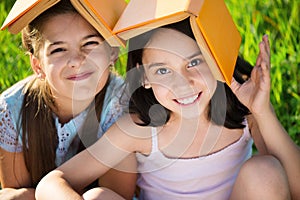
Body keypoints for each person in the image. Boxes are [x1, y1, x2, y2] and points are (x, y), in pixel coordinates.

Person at [35, 19, 300, 200]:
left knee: (264, 172)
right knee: (96, 197)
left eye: (195, 62)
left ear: (217, 59)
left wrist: (262, 112)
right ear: (144, 77)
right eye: (163, 70)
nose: (182, 83)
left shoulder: (242, 111)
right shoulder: (138, 131)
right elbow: (52, 183)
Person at [0, 1, 136, 199]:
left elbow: (116, 194)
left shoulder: (120, 106)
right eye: (58, 50)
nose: (77, 60)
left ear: (112, 53)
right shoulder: (12, 110)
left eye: (90, 43)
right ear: (38, 65)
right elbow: (18, 191)